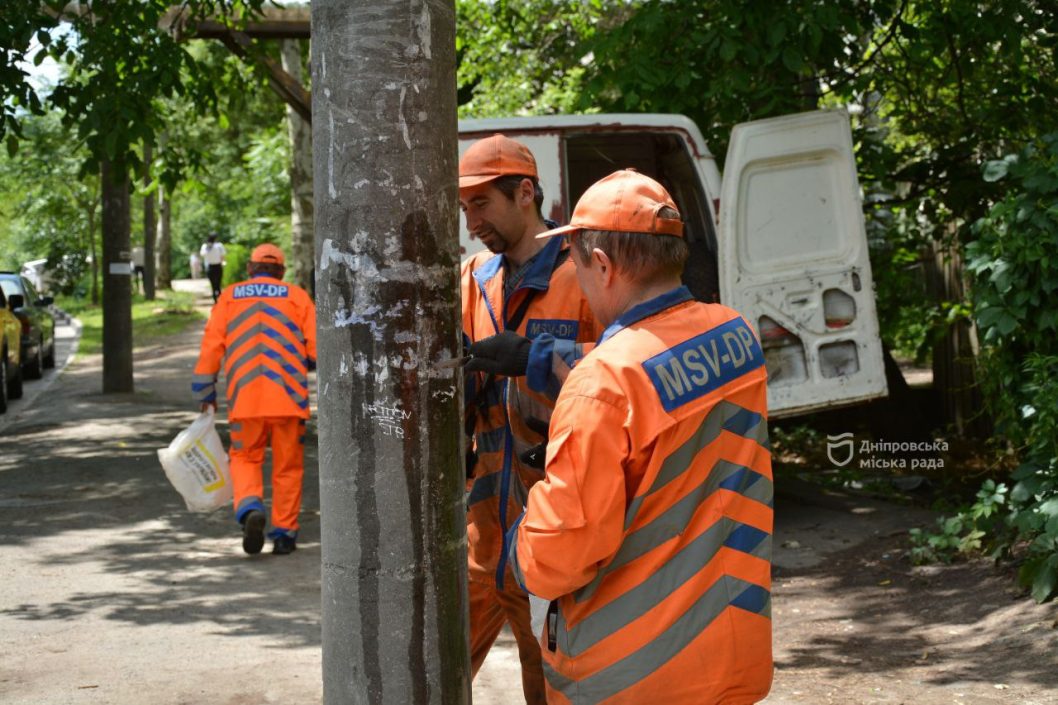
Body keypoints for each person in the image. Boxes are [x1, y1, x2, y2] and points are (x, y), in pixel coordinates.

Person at [485, 170, 773, 703]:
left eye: (576, 262)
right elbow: (655, 371)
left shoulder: (603, 386)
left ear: (603, 265)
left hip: (635, 673)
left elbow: (558, 558)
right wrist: (538, 360)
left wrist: (523, 531)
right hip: (732, 648)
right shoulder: (735, 333)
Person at [458, 134, 599, 704]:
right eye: (465, 209)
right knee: (428, 670)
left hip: (550, 526)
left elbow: (622, 373)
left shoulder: (586, 274)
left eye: (481, 206)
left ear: (525, 192)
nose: (472, 224)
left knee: (550, 679)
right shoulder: (472, 281)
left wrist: (537, 362)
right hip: (481, 531)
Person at [191, 244, 316, 555]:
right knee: (288, 467)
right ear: (281, 271)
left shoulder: (230, 296)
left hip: (245, 400)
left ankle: (249, 508)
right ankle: (285, 534)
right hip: (289, 399)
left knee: (245, 457)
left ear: (250, 268)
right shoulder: (297, 297)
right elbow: (316, 349)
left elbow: (211, 347)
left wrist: (204, 392)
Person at [200, 232, 226, 303]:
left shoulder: (205, 246)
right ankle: (218, 298)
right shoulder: (218, 246)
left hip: (211, 267)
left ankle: (216, 299)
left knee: (214, 285)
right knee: (217, 284)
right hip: (216, 267)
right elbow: (222, 256)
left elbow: (203, 255)